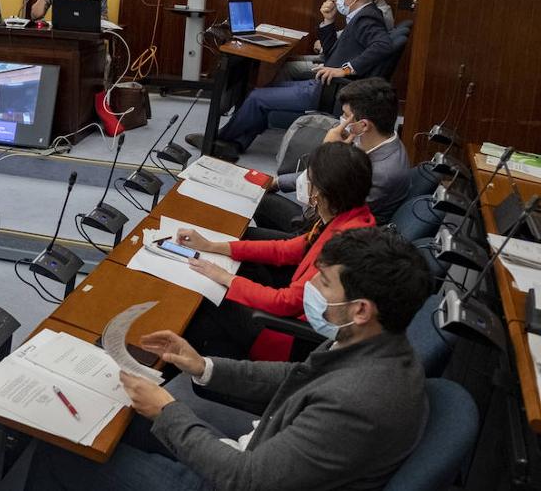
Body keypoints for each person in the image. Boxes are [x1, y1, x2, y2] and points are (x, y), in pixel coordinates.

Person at [26, 226, 431, 491]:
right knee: (131, 414)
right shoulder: (372, 341)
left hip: (245, 476)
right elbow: (299, 374)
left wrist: (167, 413)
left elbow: (246, 479)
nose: (311, 288)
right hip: (272, 445)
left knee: (62, 450)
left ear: (361, 308)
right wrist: (202, 365)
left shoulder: (359, 401)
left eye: (322, 283)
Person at [176, 142, 375, 360]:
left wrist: (225, 277)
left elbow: (286, 302)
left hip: (289, 335)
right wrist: (214, 246)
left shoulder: (341, 247)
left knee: (208, 290)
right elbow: (286, 249)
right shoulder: (348, 216)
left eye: (309, 179)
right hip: (293, 313)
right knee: (225, 285)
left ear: (321, 194)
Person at [186, 0, 391, 160]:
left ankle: (219, 142)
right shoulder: (361, 15)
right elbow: (331, 51)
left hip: (329, 90)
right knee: (262, 92)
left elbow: (383, 45)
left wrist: (344, 69)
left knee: (258, 97)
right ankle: (236, 143)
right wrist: (328, 21)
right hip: (326, 84)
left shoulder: (367, 18)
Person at [257, 78, 410, 231]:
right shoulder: (378, 140)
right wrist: (277, 182)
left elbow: (325, 212)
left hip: (322, 232)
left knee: (252, 220)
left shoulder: (382, 173)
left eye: (345, 115)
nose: (341, 121)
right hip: (320, 216)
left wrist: (327, 150)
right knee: (258, 194)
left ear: (363, 125)